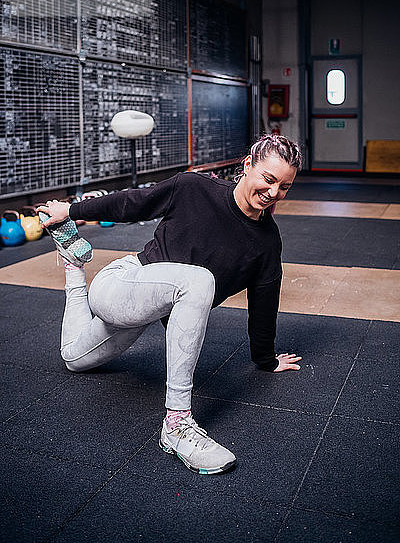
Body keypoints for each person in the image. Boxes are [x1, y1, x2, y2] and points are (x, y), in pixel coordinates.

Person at [36, 133, 303, 475]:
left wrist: (266, 359)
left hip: (140, 313)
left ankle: (73, 266)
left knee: (74, 359)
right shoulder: (194, 188)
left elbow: (265, 303)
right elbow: (132, 202)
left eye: (284, 187)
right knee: (199, 279)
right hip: (120, 282)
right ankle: (177, 424)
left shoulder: (267, 244)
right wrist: (70, 210)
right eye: (268, 179)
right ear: (247, 166)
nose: (273, 193)